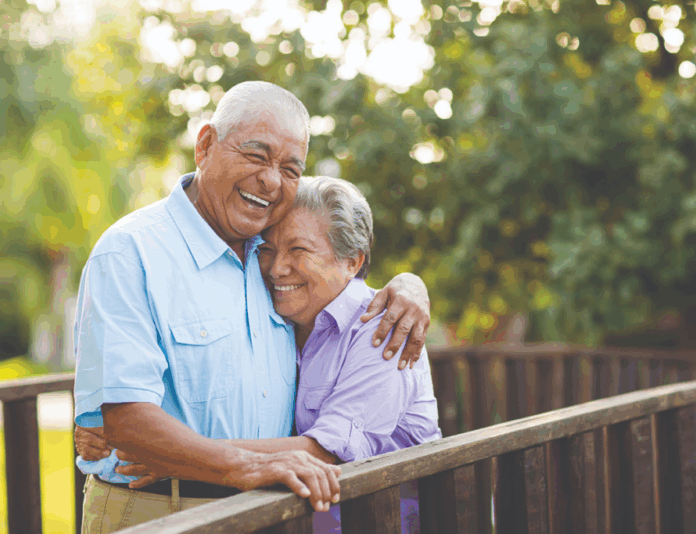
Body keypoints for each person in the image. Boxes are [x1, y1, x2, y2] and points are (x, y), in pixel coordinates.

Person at [73, 81, 431, 533]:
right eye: (257, 155)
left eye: (289, 168)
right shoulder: (130, 252)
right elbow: (127, 423)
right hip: (160, 512)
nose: (270, 179)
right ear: (205, 146)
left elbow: (336, 277)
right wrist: (230, 464)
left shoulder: (267, 260)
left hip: (269, 511)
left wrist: (409, 286)